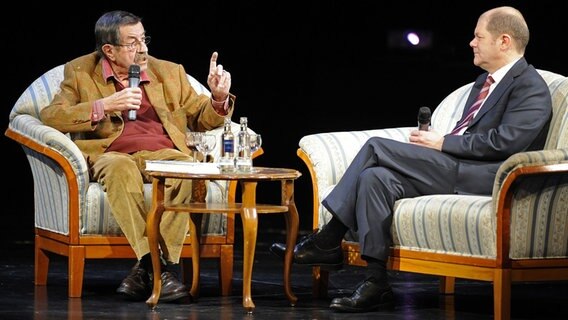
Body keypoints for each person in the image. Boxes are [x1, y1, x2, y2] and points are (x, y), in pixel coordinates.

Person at [270, 6, 552, 313]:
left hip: (487, 177)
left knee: (377, 147)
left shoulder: (530, 86)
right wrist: (436, 146)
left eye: (478, 36)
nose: (472, 42)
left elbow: (506, 142)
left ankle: (328, 238)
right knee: (374, 179)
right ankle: (377, 282)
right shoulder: (483, 83)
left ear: (504, 41)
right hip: (459, 167)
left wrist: (443, 142)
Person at [40, 10, 234, 302]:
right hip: (112, 153)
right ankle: (162, 269)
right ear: (109, 50)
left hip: (164, 153)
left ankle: (148, 269)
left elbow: (201, 118)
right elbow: (52, 116)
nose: (143, 48)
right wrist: (103, 105)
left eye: (144, 39)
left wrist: (218, 98)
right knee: (120, 169)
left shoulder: (169, 71)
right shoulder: (80, 72)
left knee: (185, 168)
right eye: (132, 43)